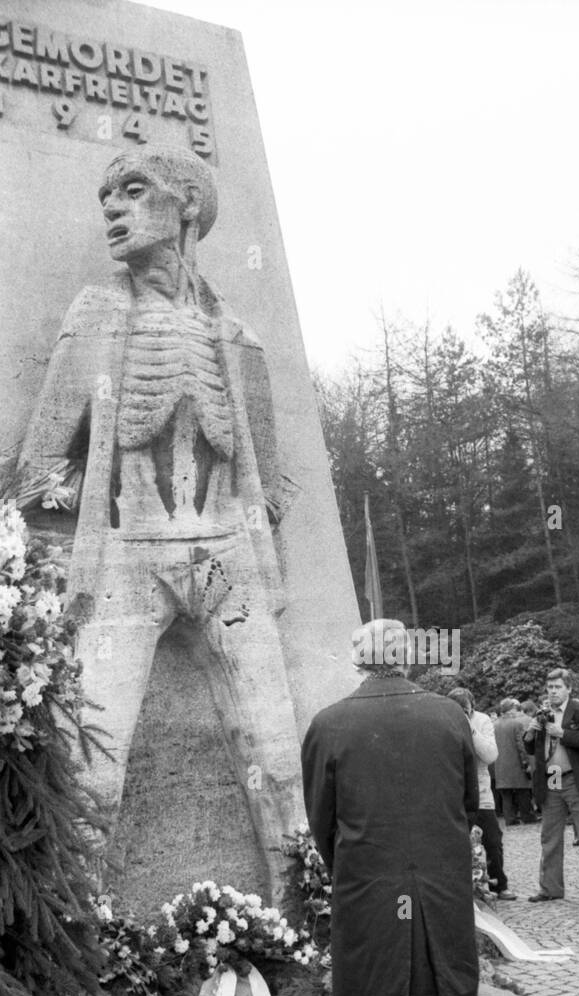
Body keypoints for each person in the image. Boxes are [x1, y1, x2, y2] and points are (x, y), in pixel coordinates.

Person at [13, 144, 302, 895]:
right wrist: (86, 515)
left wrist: (250, 518)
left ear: (188, 208)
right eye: (106, 195)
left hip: (227, 558)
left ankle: (307, 932)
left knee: (277, 759)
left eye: (133, 191)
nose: (113, 207)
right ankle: (76, 943)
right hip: (127, 557)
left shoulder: (236, 338)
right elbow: (37, 473)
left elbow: (269, 482)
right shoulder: (99, 315)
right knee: (93, 772)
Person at [301, 619, 487, 996]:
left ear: (360, 660)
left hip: (372, 897)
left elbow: (322, 824)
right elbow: (465, 807)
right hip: (443, 893)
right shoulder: (448, 717)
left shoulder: (329, 725)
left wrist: (359, 874)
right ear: (405, 658)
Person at [524, 668, 579, 904]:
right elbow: (533, 749)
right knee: (549, 837)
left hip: (575, 778)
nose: (553, 692)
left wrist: (562, 733)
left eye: (557, 687)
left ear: (569, 688)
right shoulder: (543, 712)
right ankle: (550, 888)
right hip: (550, 779)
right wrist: (530, 733)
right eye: (549, 688)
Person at [447, 687, 516, 900]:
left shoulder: (483, 720)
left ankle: (499, 884)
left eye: (465, 711)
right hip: (456, 793)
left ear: (472, 708)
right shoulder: (444, 722)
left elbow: (490, 755)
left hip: (482, 793)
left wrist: (470, 728)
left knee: (493, 841)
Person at [493, 698, 535, 824]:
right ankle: (527, 816)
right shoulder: (516, 724)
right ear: (510, 710)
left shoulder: (493, 724)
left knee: (506, 794)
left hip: (499, 764)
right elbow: (521, 745)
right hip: (516, 764)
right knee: (523, 791)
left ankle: (509, 819)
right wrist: (527, 762)